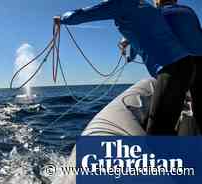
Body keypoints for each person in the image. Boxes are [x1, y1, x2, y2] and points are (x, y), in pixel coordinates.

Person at [54, 0, 190, 135]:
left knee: (158, 132)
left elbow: (84, 14)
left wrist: (62, 18)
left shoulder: (121, 3)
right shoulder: (143, 5)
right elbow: (144, 35)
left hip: (172, 70)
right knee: (159, 124)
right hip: (181, 66)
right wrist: (130, 55)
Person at [143, 0, 202, 134]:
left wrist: (126, 42)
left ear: (157, 2)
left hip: (180, 65)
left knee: (158, 127)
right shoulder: (189, 11)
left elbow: (146, 33)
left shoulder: (156, 14)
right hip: (200, 62)